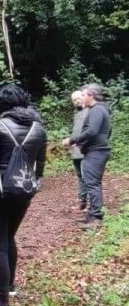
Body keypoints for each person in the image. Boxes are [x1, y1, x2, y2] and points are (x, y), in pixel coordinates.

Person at [0, 84, 47, 306]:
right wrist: (32, 188)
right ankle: (10, 284)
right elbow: (40, 168)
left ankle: (3, 305)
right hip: (24, 192)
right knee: (10, 238)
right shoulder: (39, 128)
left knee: (0, 244)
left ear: (2, 105)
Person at [63, 84, 112, 228]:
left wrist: (73, 140)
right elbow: (103, 133)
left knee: (92, 183)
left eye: (83, 95)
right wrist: (83, 144)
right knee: (91, 182)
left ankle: (96, 218)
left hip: (96, 153)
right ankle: (91, 215)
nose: (81, 97)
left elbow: (92, 131)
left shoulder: (97, 110)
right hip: (96, 150)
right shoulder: (99, 109)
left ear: (91, 95)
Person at [68, 91, 89, 212]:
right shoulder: (77, 113)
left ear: (83, 97)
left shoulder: (90, 111)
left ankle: (92, 204)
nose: (76, 101)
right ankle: (82, 202)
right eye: (74, 100)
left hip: (85, 150)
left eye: (78, 98)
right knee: (80, 176)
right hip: (75, 151)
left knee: (87, 176)